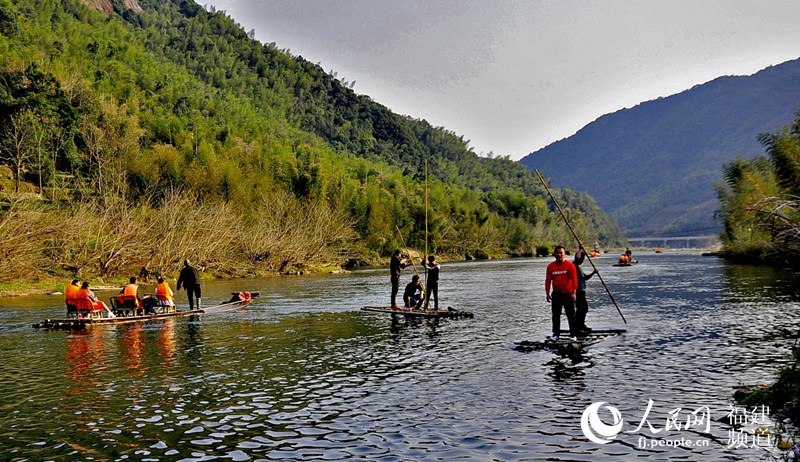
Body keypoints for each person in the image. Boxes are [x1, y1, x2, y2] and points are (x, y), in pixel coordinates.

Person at [545, 245, 578, 341]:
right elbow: (548, 280)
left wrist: (574, 293)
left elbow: (574, 280)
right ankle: (555, 334)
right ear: (554, 254)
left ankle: (573, 334)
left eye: (561, 253)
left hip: (568, 294)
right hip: (556, 294)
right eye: (557, 253)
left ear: (564, 254)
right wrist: (547, 293)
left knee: (571, 315)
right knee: (555, 315)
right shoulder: (551, 266)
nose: (559, 255)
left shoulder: (570, 265)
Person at [573, 246, 597, 335]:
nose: (583, 261)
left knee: (584, 309)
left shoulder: (579, 268)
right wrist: (580, 249)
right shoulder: (574, 266)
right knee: (581, 309)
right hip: (577, 291)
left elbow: (585, 278)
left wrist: (593, 273)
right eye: (582, 259)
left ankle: (581, 325)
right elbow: (577, 259)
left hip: (582, 291)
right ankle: (577, 326)